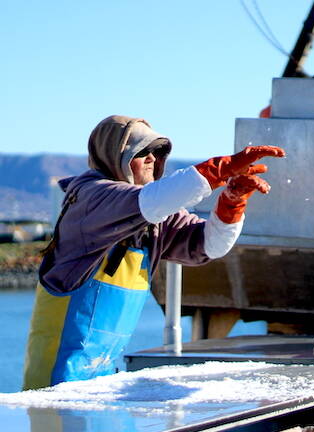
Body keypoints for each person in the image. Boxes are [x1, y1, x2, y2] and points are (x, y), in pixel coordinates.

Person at [23, 115, 285, 390]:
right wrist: (218, 169)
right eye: (141, 151)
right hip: (52, 382)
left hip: (98, 378)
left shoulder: (153, 216)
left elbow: (209, 245)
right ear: (112, 156)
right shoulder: (91, 197)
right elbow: (150, 202)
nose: (151, 158)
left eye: (157, 151)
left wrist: (231, 204)